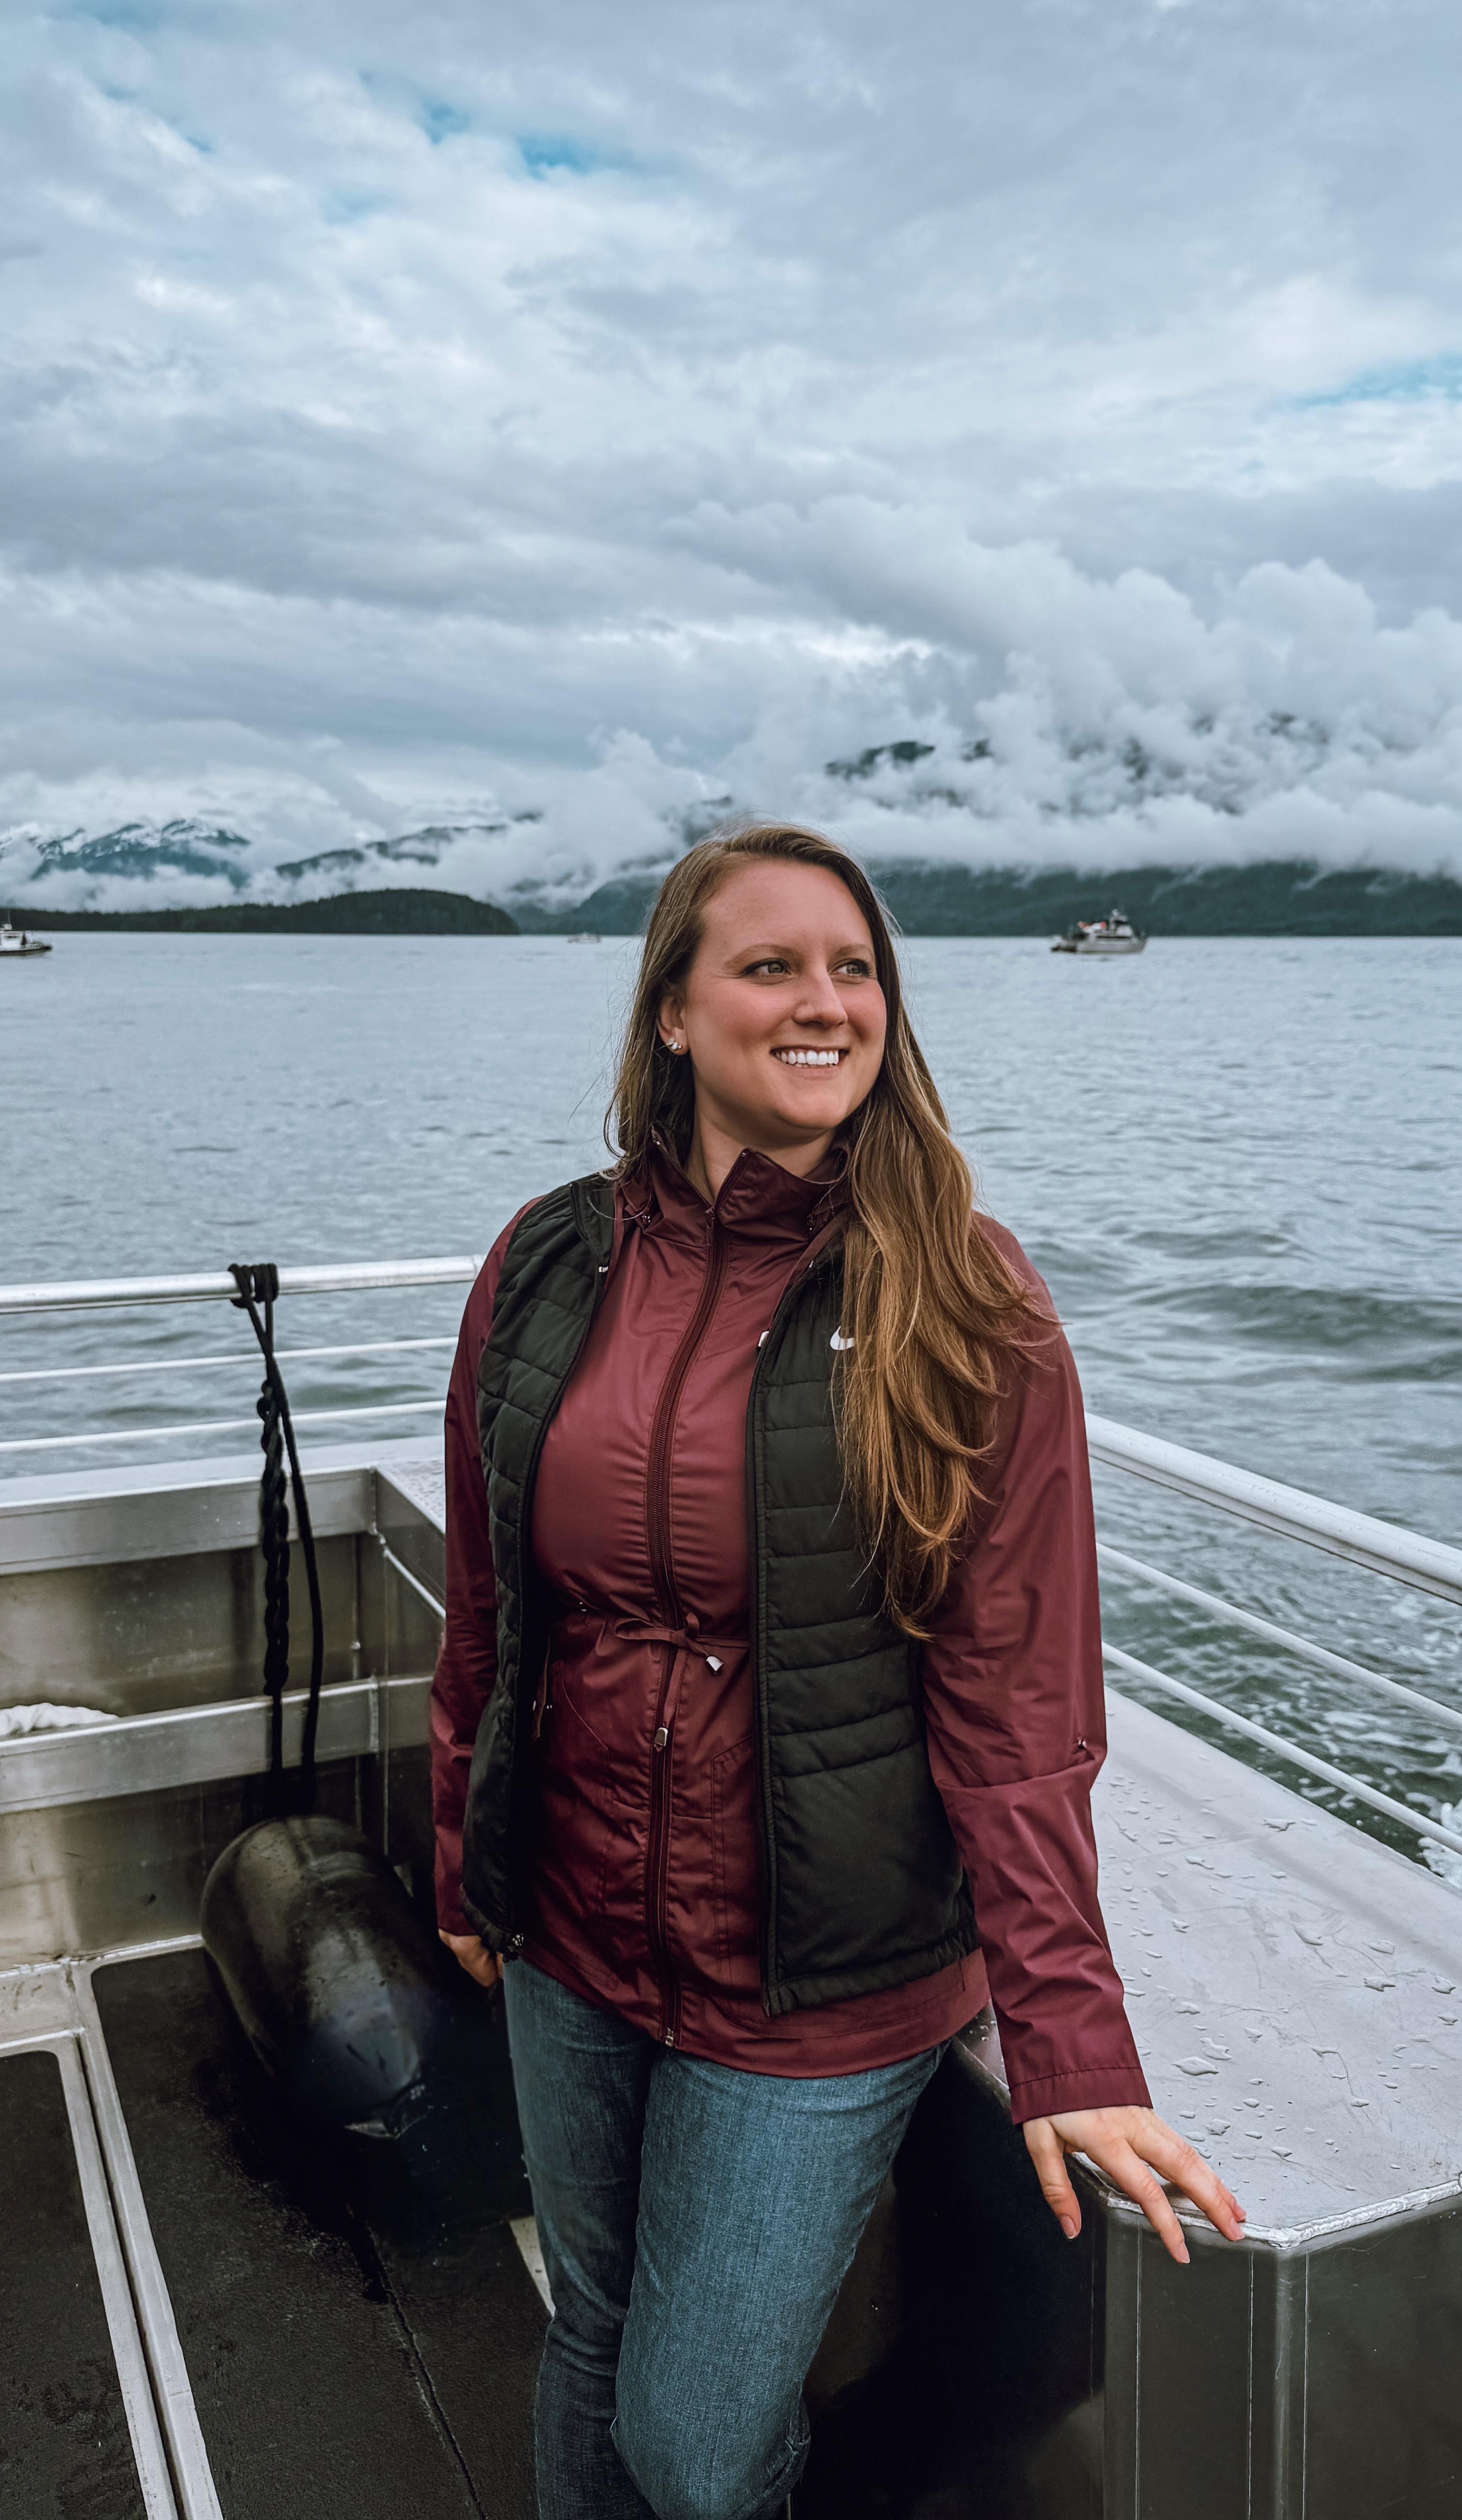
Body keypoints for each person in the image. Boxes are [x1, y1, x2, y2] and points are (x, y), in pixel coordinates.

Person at [431, 822, 1243, 2520]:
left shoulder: (962, 1293)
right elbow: (495, 1612)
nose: (827, 1000)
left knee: (699, 2445)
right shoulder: (547, 1264)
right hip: (572, 1932)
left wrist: (1073, 2044)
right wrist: (464, 1855)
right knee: (589, 2332)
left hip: (816, 1990)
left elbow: (1022, 1708)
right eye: (772, 964)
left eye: (856, 966)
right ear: (672, 1012)